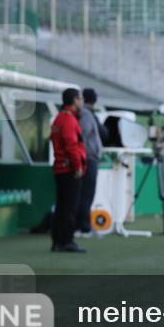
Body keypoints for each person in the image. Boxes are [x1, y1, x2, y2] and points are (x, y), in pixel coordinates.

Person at [50, 88, 87, 253]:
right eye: (80, 99)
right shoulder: (69, 120)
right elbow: (72, 145)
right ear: (74, 100)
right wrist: (78, 166)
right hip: (69, 169)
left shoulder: (59, 118)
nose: (82, 102)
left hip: (61, 168)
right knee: (70, 207)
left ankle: (58, 241)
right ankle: (66, 241)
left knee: (62, 206)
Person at [76, 88, 107, 236]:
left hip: (85, 157)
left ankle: (82, 225)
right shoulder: (87, 115)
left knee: (84, 193)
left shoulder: (84, 114)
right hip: (88, 158)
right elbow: (83, 134)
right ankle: (84, 226)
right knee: (87, 194)